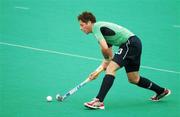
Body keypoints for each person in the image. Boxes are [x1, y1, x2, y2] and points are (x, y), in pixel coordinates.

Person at [77, 11, 171, 110]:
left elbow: (104, 49)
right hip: (135, 44)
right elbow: (109, 56)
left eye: (82, 25)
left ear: (89, 22)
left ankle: (99, 101)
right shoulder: (102, 32)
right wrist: (97, 71)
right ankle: (161, 91)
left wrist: (106, 65)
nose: (80, 28)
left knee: (110, 69)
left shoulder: (96, 27)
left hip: (129, 44)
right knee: (134, 79)